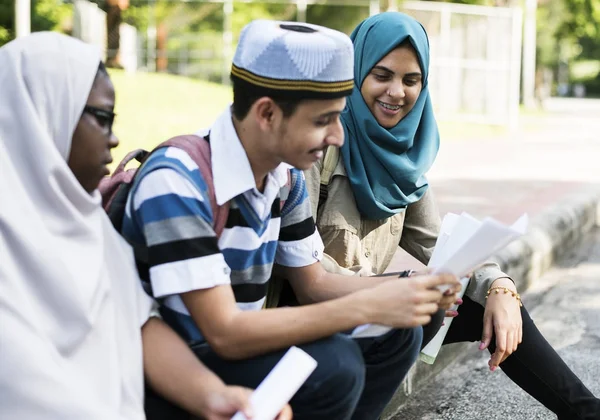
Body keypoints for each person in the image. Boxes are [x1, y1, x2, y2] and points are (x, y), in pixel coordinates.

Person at [119, 20, 461, 420]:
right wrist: (369, 304)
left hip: (237, 349)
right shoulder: (178, 181)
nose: (338, 135)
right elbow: (223, 333)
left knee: (401, 331)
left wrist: (404, 290)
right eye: (323, 120)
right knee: (336, 366)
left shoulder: (285, 177)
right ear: (267, 113)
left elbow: (313, 284)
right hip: (178, 369)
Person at [304, 11, 600, 419]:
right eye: (382, 75)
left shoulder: (402, 160)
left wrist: (500, 285)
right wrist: (396, 288)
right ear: (355, 74)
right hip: (311, 322)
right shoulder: (316, 147)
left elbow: (442, 243)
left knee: (481, 304)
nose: (396, 92)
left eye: (411, 80)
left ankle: (586, 412)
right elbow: (303, 272)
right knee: (415, 314)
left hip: (375, 318)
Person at [0, 32, 292, 420]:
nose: (116, 139)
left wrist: (212, 396)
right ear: (42, 113)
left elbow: (139, 325)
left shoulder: (86, 222)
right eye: (102, 118)